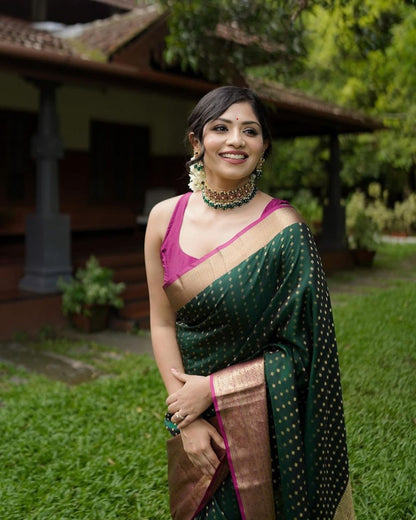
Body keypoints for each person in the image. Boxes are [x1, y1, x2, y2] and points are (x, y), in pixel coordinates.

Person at [144, 86, 355, 520]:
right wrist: (184, 419)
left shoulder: (284, 230)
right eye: (221, 127)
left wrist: (215, 389)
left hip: (270, 427)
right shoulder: (164, 219)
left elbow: (307, 351)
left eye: (250, 130)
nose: (236, 140)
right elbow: (162, 323)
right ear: (197, 142)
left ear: (263, 148)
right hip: (194, 421)